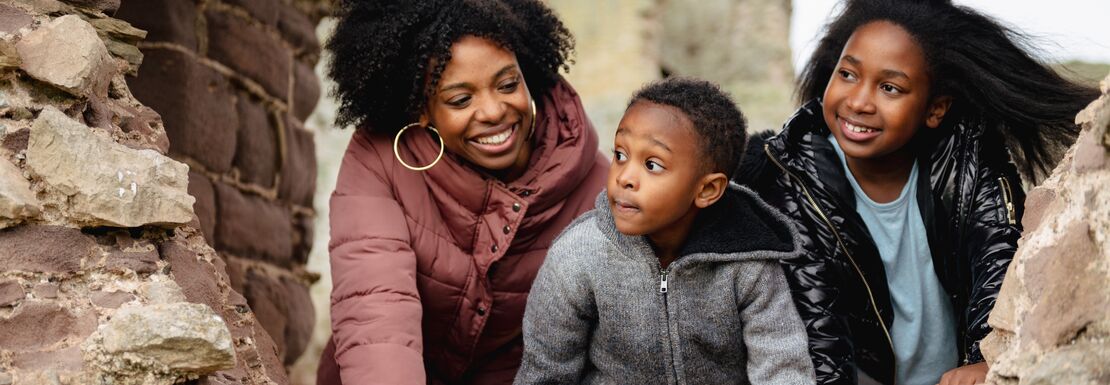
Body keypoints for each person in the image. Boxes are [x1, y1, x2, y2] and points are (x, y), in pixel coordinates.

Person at [736, 1, 1100, 385]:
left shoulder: (968, 157)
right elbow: (819, 331)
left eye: (890, 87)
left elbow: (998, 259)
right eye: (847, 74)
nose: (859, 101)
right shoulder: (792, 181)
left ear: (935, 109)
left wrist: (986, 358)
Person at [317, 1, 608, 384]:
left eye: (507, 85)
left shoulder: (596, 184)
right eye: (460, 99)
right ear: (421, 109)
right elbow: (376, 310)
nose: (492, 111)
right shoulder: (380, 159)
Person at [515, 78, 815, 385]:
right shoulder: (577, 256)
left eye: (652, 165)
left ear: (708, 189)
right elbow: (545, 373)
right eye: (620, 154)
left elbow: (784, 370)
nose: (625, 178)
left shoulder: (750, 262)